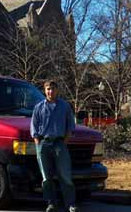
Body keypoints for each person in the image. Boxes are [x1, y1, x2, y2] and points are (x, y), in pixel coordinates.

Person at [30, 80, 77, 212]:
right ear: (45, 91)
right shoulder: (38, 107)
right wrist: (37, 142)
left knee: (65, 176)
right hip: (43, 144)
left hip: (59, 144)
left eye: (53, 89)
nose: (50, 91)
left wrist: (64, 141)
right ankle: (51, 203)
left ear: (57, 90)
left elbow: (70, 126)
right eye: (48, 89)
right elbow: (33, 126)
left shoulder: (65, 106)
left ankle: (70, 204)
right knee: (46, 177)